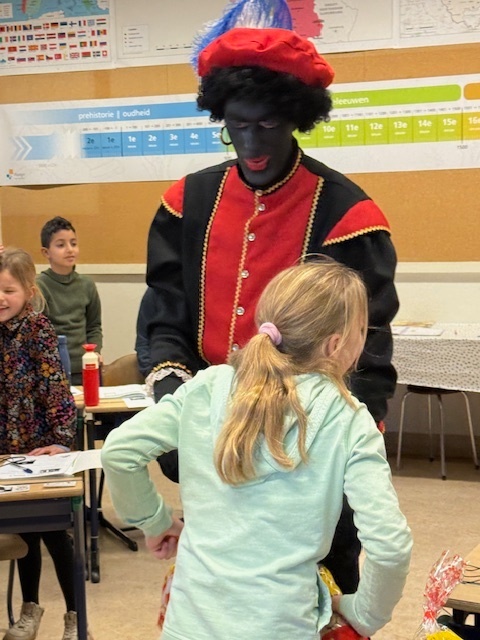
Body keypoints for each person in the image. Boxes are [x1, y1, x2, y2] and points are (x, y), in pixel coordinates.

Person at [145, 14, 399, 594]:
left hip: (306, 433)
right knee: (220, 573)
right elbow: (164, 311)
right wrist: (172, 388)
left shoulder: (348, 214)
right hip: (211, 421)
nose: (253, 144)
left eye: (269, 125)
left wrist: (348, 442)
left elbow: (368, 345)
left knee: (320, 577)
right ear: (222, 118)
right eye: (238, 126)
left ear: (297, 118)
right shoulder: (187, 201)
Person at [102, 259, 412, 640]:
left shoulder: (208, 386)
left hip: (188, 626)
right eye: (362, 331)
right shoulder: (349, 418)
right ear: (335, 345)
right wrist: (365, 614)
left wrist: (155, 522)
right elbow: (390, 546)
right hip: (282, 627)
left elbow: (119, 452)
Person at [0, 247, 88, 640]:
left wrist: (61, 442)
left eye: (9, 291)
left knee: (53, 533)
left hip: (42, 448)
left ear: (29, 293)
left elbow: (56, 390)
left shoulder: (38, 329)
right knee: (24, 533)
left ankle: (75, 617)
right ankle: (30, 610)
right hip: (8, 451)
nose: (1, 299)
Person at [37, 216, 103, 386]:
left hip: (85, 366)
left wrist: (95, 351)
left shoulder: (87, 284)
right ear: (46, 252)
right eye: (61, 245)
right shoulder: (39, 286)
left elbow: (94, 326)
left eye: (73, 243)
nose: (69, 250)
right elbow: (38, 331)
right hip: (53, 369)